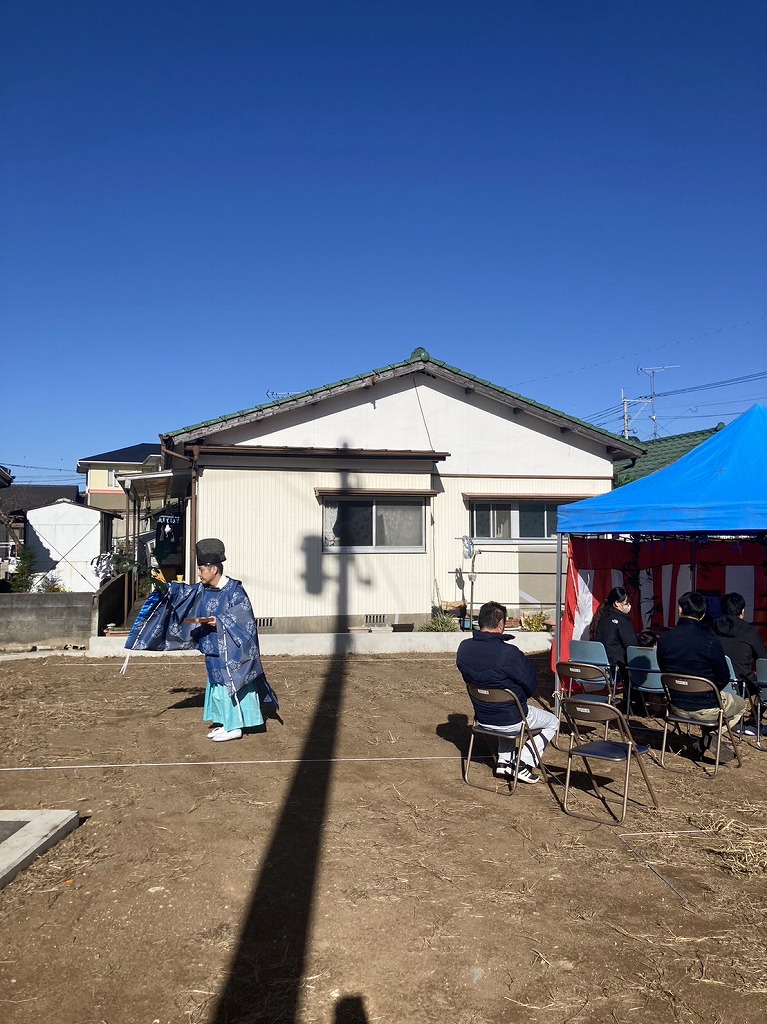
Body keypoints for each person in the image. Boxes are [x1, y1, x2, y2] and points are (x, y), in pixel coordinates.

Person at [124, 537, 278, 742]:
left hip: (231, 652)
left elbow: (245, 619)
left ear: (214, 569)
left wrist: (221, 621)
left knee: (230, 684)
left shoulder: (235, 591)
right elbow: (184, 594)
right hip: (212, 647)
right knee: (217, 684)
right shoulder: (201, 590)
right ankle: (225, 721)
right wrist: (165, 588)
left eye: (201, 570)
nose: (199, 574)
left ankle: (236, 726)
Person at [456, 600, 558, 785]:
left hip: (483, 717)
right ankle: (523, 763)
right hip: (510, 718)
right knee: (552, 722)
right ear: (502, 624)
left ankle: (504, 761)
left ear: (480, 622)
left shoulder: (464, 648)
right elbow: (531, 685)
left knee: (504, 704)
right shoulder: (509, 653)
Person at [657, 591, 746, 761]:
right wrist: (709, 690)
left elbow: (664, 670)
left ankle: (708, 738)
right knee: (741, 704)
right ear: (703, 614)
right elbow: (723, 676)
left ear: (680, 610)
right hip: (707, 707)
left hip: (676, 706)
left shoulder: (665, 639)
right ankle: (710, 736)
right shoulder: (710, 640)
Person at [713, 592, 767, 734]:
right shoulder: (750, 632)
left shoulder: (711, 627)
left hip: (713, 681)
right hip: (741, 683)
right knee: (763, 684)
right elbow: (763, 660)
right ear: (742, 612)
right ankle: (755, 719)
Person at [589, 586, 637, 686]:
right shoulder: (622, 620)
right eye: (626, 603)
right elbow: (632, 646)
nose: (628, 606)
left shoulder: (600, 616)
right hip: (616, 665)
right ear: (616, 603)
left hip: (598, 664)